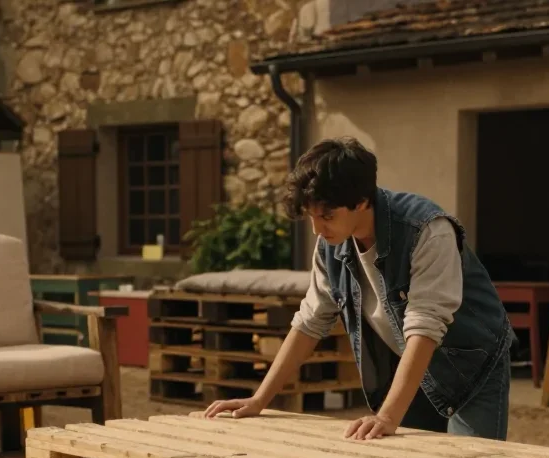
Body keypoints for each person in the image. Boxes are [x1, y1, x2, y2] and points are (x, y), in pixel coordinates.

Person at [203, 137, 515, 441]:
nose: (317, 229)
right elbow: (310, 321)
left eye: (327, 216)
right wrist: (259, 400)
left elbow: (425, 325)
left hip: (472, 367)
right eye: (311, 216)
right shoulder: (329, 244)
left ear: (362, 200)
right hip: (409, 366)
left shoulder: (427, 230)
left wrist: (387, 417)